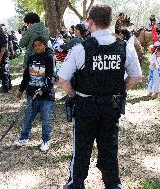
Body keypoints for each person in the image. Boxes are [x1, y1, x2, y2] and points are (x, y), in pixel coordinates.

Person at [58, 4, 142, 189]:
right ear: (111, 22)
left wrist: (73, 94)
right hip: (111, 107)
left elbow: (63, 79)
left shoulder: (81, 48)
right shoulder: (124, 47)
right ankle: (113, 184)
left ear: (90, 22)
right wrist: (119, 88)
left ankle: (76, 184)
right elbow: (136, 76)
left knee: (81, 150)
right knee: (109, 150)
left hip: (85, 107)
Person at [13, 36, 55, 152]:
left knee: (46, 120)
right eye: (35, 45)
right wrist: (21, 90)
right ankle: (24, 138)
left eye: (40, 44)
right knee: (28, 118)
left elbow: (51, 77)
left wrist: (43, 89)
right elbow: (26, 76)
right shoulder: (31, 58)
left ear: (45, 45)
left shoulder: (49, 58)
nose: (37, 47)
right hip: (32, 95)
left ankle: (46, 140)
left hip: (46, 96)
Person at [0, 22, 12, 93]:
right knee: (5, 71)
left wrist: (0, 58)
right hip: (1, 56)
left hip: (3, 57)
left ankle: (5, 87)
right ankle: (8, 85)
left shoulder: (3, 35)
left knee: (3, 71)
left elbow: (3, 47)